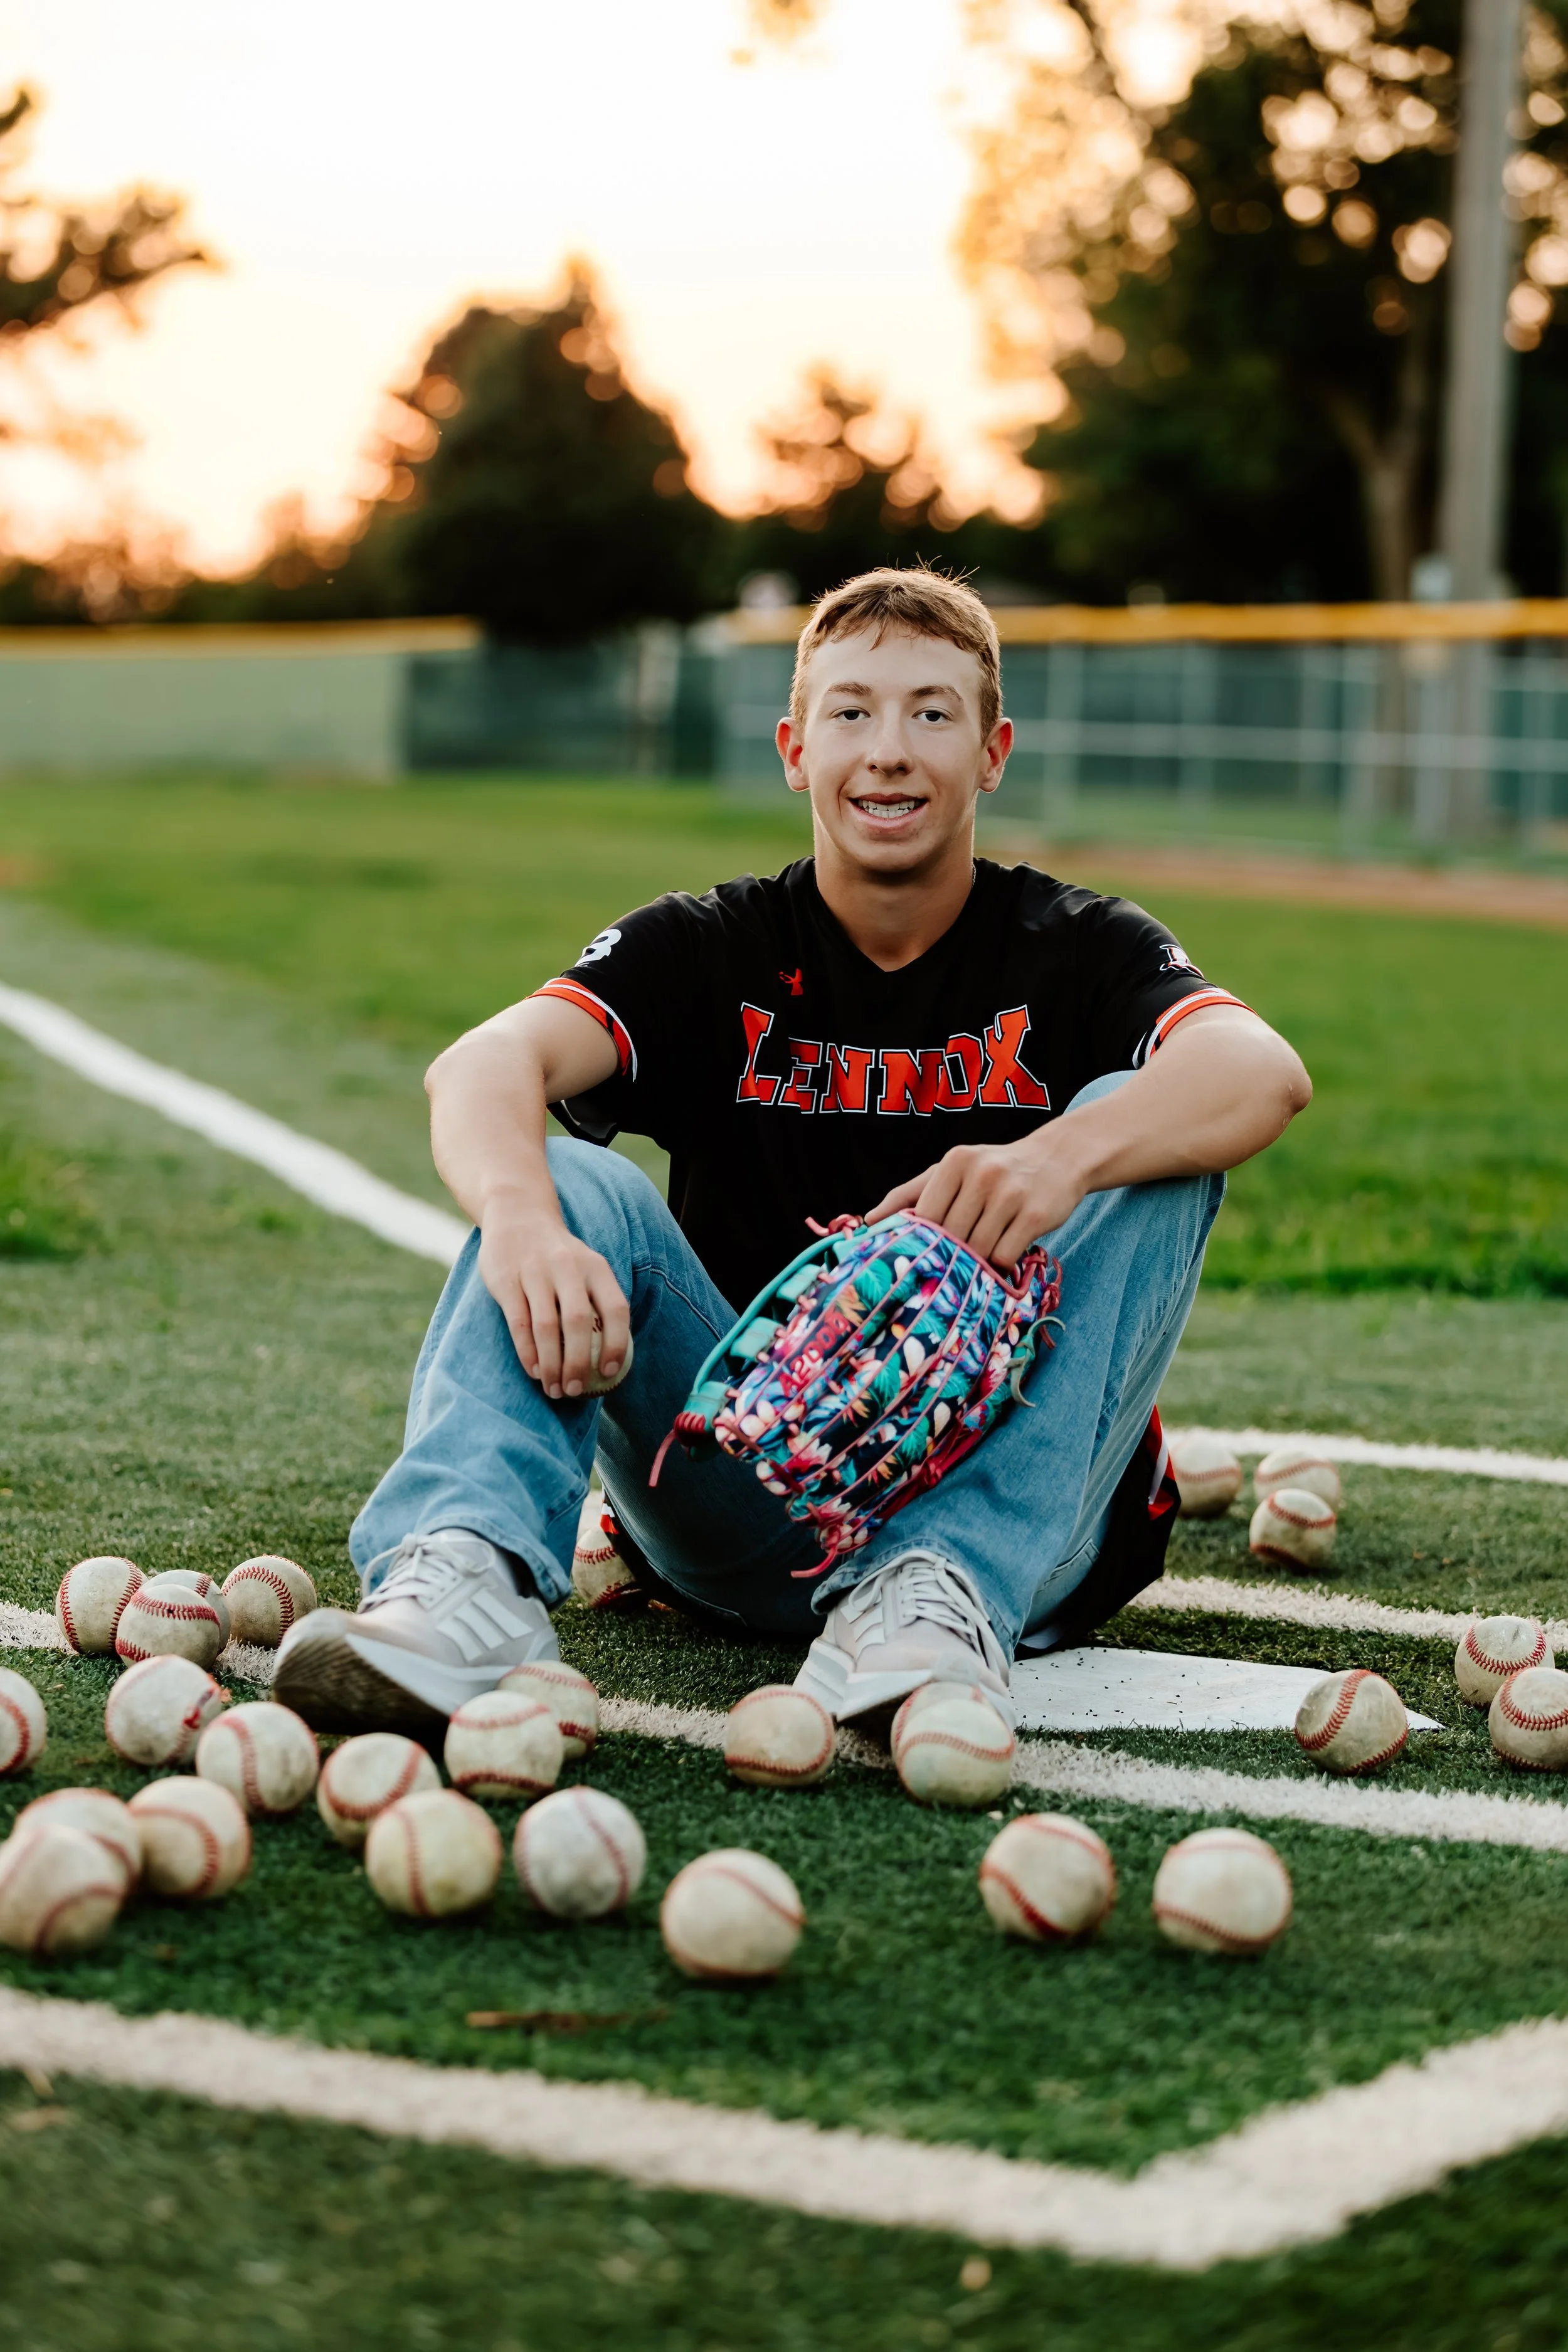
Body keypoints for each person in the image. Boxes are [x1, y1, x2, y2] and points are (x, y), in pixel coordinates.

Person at [276, 567, 1311, 1738]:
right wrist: (520, 1219)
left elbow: (1262, 1071)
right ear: (793, 745)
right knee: (569, 1181)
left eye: (933, 713)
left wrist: (1057, 1157)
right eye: (851, 712)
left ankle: (936, 1590)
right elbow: (481, 1064)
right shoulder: (712, 946)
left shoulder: (1076, 944)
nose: (890, 750)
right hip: (747, 1495)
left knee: (1157, 1125)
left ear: (993, 752)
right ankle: (463, 1579)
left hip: (1014, 1523)